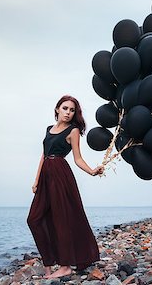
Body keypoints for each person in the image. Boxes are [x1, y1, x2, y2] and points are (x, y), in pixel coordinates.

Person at [27, 95, 104, 279]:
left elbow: (77, 158)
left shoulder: (73, 130)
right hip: (46, 176)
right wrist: (36, 180)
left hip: (61, 175)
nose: (68, 113)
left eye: (72, 110)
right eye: (65, 108)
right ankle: (48, 263)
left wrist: (92, 171)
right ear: (57, 109)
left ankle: (65, 265)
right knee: (34, 219)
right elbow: (43, 155)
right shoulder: (49, 129)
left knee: (61, 219)